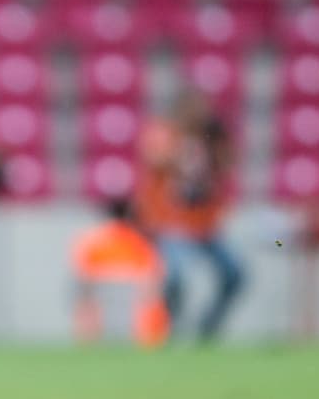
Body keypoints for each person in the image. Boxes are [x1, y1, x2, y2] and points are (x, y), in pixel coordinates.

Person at [135, 89, 245, 341]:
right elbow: (155, 158)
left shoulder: (211, 139)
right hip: (172, 226)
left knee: (235, 275)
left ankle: (208, 329)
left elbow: (228, 164)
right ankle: (171, 330)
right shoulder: (164, 133)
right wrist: (184, 146)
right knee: (175, 279)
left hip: (205, 227)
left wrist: (216, 141)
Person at [70, 198, 169, 347]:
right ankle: (150, 339)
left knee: (85, 294)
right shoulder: (137, 238)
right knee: (151, 292)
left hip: (106, 286)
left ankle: (87, 340)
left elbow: (81, 266)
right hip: (123, 286)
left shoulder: (95, 238)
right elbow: (153, 268)